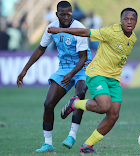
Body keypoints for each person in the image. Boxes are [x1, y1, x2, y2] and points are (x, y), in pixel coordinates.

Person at [48, 7, 138, 153]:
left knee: (114, 114)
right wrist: (60, 30)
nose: (129, 21)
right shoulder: (111, 32)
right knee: (104, 107)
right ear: (120, 21)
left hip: (114, 79)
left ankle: (87, 146)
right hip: (97, 74)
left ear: (136, 22)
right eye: (125, 19)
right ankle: (75, 103)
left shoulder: (133, 38)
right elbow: (85, 33)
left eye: (132, 19)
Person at [16, 1, 92, 153]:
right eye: (62, 14)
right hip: (64, 69)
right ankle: (48, 143)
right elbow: (40, 48)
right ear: (57, 14)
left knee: (81, 93)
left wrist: (72, 74)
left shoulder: (80, 28)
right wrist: (25, 70)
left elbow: (83, 57)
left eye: (69, 14)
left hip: (83, 67)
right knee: (48, 104)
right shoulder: (51, 28)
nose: (66, 17)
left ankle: (72, 135)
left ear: (72, 13)